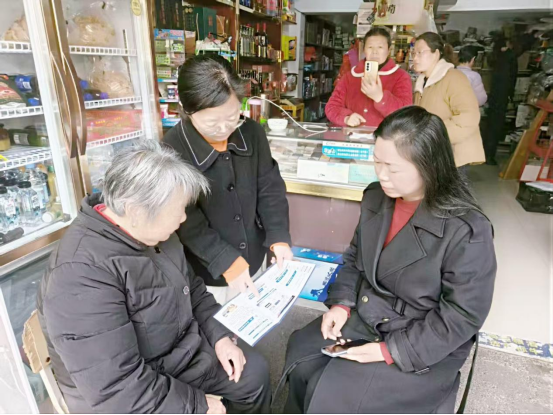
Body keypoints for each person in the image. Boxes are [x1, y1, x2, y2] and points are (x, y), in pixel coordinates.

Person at [281, 106, 496, 414]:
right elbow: (355, 257)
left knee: (337, 393)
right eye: (377, 162)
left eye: (393, 169)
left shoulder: (466, 229)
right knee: (302, 356)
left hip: (421, 336)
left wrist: (389, 350)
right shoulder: (375, 197)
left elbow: (462, 315)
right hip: (368, 313)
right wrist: (342, 304)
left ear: (429, 166)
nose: (381, 175)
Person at [37, 141, 271, 414]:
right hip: (132, 389)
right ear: (136, 212)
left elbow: (193, 289)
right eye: (178, 210)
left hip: (178, 354)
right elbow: (117, 389)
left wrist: (220, 337)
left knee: (253, 374)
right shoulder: (79, 275)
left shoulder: (154, 233)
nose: (183, 218)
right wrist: (196, 405)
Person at [163, 54, 292, 304]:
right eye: (212, 121)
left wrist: (278, 235)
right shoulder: (172, 150)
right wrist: (224, 260)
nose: (224, 128)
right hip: (207, 273)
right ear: (188, 110)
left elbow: (270, 187)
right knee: (214, 325)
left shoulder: (251, 132)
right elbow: (187, 220)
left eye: (232, 116)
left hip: (254, 258)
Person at [413, 32, 485, 170]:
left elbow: (469, 116)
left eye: (420, 53)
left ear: (436, 54)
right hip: (433, 154)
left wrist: (434, 134)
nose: (415, 58)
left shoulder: (454, 78)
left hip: (454, 156)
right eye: (413, 53)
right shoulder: (422, 81)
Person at [325, 27, 412, 127]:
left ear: (389, 50)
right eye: (370, 47)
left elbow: (406, 115)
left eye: (380, 47)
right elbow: (331, 107)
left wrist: (380, 97)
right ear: (364, 50)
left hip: (385, 136)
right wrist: (346, 118)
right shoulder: (350, 77)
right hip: (353, 135)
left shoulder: (401, 76)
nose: (375, 52)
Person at [484, 36, 518, 165]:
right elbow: (513, 76)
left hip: (492, 94)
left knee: (489, 124)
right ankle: (489, 155)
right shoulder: (510, 56)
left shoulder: (494, 56)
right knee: (496, 125)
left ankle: (484, 153)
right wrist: (511, 95)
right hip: (502, 94)